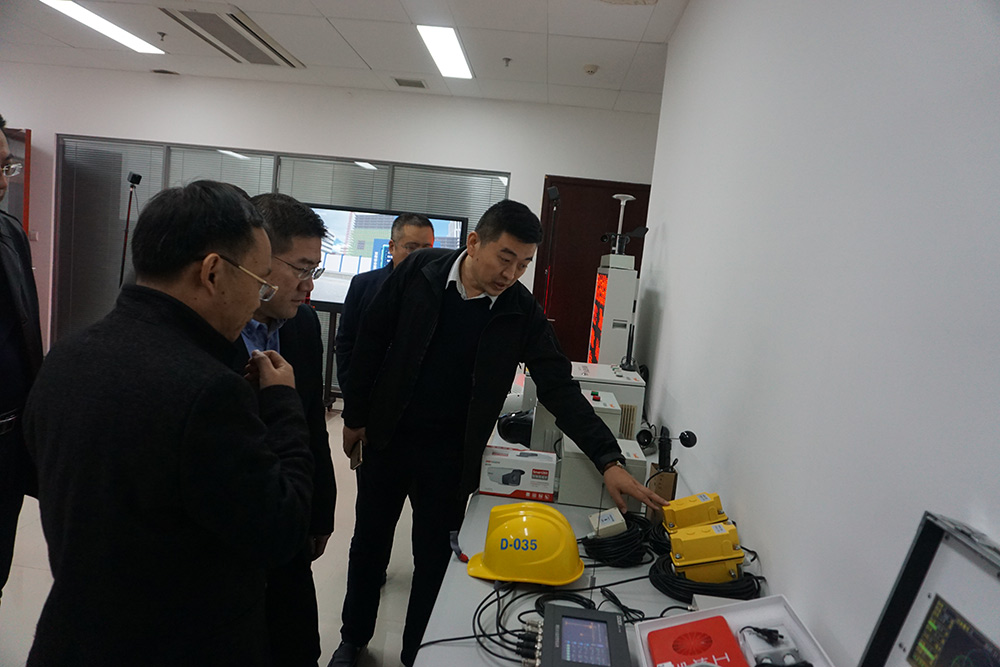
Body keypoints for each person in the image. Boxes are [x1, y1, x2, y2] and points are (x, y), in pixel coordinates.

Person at [330, 199, 666, 667]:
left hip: (451, 457)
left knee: (434, 561)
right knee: (369, 544)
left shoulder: (520, 312)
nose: (511, 274)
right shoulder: (420, 272)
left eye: (523, 264)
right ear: (474, 243)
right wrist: (355, 417)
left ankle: (415, 655)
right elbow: (370, 340)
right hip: (388, 439)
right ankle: (352, 640)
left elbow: (559, 387)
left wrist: (608, 459)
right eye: (505, 258)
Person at [23, 180, 314, 666]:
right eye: (259, 281)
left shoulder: (67, 356)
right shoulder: (209, 389)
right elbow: (280, 528)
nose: (257, 299)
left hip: (74, 633)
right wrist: (282, 403)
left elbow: (41, 475)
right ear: (213, 272)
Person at [234, 192, 336, 666]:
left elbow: (313, 421)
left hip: (291, 510)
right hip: (235, 528)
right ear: (256, 258)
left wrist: (321, 511)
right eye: (300, 268)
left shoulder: (302, 326)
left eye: (315, 270)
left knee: (295, 643)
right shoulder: (211, 334)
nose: (308, 285)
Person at [0, 113, 42, 607]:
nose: (2, 181)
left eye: (5, 167)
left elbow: (27, 335)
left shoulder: (9, 236)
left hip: (7, 443)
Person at [334, 213, 434, 388]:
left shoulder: (438, 292)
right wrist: (349, 385)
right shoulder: (363, 285)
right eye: (411, 248)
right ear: (392, 247)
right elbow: (346, 340)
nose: (419, 256)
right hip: (367, 388)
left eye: (427, 248)